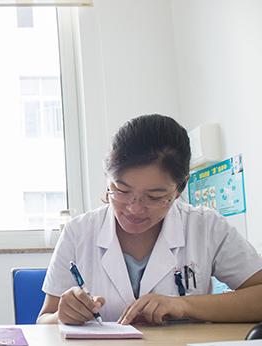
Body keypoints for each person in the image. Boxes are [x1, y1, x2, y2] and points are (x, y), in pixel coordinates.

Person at [37, 114, 262, 326]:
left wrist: (183, 305)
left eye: (155, 197)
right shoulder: (79, 232)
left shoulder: (205, 226)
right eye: (121, 190)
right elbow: (43, 320)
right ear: (108, 179)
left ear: (179, 188)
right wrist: (62, 315)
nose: (134, 209)